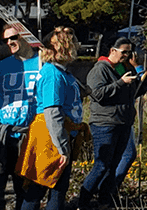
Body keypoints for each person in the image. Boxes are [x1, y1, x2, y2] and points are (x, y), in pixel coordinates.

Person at [16, 27, 87, 210]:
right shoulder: (52, 74)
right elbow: (52, 112)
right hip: (51, 137)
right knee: (42, 188)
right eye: (71, 45)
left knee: (56, 189)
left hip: (58, 135)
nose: (75, 48)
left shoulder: (61, 72)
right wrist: (62, 147)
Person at [79, 37, 147, 209]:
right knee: (101, 165)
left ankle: (104, 200)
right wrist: (120, 83)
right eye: (123, 52)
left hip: (123, 122)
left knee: (114, 164)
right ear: (113, 51)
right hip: (105, 123)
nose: (126, 55)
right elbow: (97, 94)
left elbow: (132, 94)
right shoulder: (100, 70)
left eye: (129, 52)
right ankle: (83, 202)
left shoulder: (125, 68)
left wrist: (144, 80)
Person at [1, 23, 42, 210]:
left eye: (14, 37)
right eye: (6, 39)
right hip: (4, 133)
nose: (10, 42)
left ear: (26, 37)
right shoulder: (3, 65)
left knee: (24, 190)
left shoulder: (43, 63)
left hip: (29, 134)